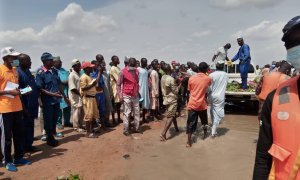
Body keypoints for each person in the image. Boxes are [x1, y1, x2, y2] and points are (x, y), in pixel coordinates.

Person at [253, 16, 300, 180]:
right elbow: (262, 156)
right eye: (292, 43)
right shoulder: (280, 92)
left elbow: (258, 87)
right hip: (269, 106)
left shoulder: (269, 74)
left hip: (261, 100)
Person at [0, 47, 31, 171]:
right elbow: (7, 90)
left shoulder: (14, 70)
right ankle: (7, 160)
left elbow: (15, 89)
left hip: (17, 107)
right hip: (5, 109)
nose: (16, 59)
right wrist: (9, 91)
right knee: (6, 137)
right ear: (7, 58)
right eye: (14, 57)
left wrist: (22, 91)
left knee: (19, 134)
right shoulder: (0, 70)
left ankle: (18, 157)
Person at [36, 52, 70, 147]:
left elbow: (59, 85)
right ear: (45, 61)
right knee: (48, 120)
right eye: (51, 60)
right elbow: (40, 88)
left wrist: (65, 97)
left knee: (54, 119)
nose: (52, 61)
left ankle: (52, 135)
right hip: (47, 101)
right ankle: (50, 139)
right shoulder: (40, 73)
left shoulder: (54, 71)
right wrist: (52, 94)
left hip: (56, 100)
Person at [17, 54, 41, 154]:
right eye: (28, 61)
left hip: (32, 104)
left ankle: (29, 145)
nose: (30, 62)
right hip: (24, 105)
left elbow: (32, 86)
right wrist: (24, 108)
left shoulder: (27, 71)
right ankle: (23, 149)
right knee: (23, 128)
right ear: (21, 62)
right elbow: (17, 91)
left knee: (30, 126)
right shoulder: (18, 73)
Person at [186, 62, 212, 147]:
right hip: (202, 104)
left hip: (192, 103)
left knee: (190, 123)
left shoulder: (191, 78)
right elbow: (208, 87)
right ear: (205, 70)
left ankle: (189, 142)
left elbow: (189, 90)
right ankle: (205, 136)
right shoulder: (208, 78)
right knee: (204, 122)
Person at [117, 58, 141, 136]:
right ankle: (126, 129)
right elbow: (118, 84)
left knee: (137, 112)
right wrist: (120, 95)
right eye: (132, 65)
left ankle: (136, 128)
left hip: (135, 95)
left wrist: (138, 92)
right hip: (126, 95)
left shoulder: (137, 71)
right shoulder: (123, 72)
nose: (134, 66)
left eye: (135, 65)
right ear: (129, 64)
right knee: (127, 113)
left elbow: (137, 82)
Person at [80, 62, 100, 138]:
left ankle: (91, 130)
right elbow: (83, 88)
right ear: (86, 68)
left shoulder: (89, 76)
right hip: (88, 98)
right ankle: (88, 133)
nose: (92, 68)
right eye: (90, 67)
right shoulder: (83, 77)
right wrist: (92, 84)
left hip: (92, 98)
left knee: (93, 115)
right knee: (88, 115)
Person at [207, 62, 228, 137]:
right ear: (223, 67)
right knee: (218, 114)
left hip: (211, 96)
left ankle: (213, 125)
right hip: (220, 97)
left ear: (216, 66)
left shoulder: (211, 75)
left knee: (212, 110)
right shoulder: (226, 74)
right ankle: (213, 132)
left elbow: (208, 86)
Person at [160, 64, 180, 141]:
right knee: (170, 116)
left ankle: (176, 128)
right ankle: (163, 133)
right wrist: (180, 84)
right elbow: (176, 91)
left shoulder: (163, 77)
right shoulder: (171, 79)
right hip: (172, 100)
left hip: (166, 99)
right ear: (169, 70)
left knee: (172, 113)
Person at [53, 56, 71, 129]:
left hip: (66, 91)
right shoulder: (53, 71)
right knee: (59, 109)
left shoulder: (63, 70)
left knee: (67, 107)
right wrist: (65, 82)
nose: (61, 63)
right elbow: (59, 81)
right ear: (54, 63)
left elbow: (68, 78)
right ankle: (58, 123)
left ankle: (67, 122)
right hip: (59, 93)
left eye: (61, 62)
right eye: (59, 62)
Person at [68, 59, 84, 132]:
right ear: (73, 66)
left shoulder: (78, 74)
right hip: (75, 95)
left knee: (81, 111)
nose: (80, 67)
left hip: (79, 95)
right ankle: (76, 127)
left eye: (80, 65)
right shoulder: (72, 75)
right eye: (78, 66)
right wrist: (80, 94)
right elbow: (72, 88)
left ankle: (80, 125)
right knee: (76, 111)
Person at [110, 55, 122, 124]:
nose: (118, 60)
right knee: (114, 104)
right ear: (113, 61)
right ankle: (114, 120)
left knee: (118, 105)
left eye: (118, 59)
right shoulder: (113, 68)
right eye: (116, 59)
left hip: (119, 87)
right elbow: (118, 79)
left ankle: (118, 118)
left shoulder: (118, 68)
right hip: (115, 88)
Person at [138, 58, 150, 123]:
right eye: (144, 62)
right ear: (141, 62)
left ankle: (143, 118)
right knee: (140, 105)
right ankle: (138, 120)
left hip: (145, 89)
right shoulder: (138, 69)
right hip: (140, 90)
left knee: (145, 104)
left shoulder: (146, 70)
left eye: (146, 62)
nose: (145, 63)